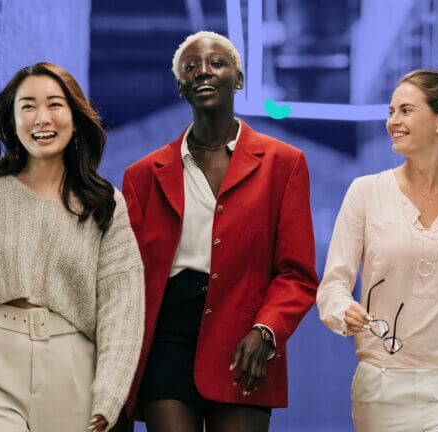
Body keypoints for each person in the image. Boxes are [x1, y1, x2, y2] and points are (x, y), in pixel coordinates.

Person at [114, 31, 318, 432]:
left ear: (238, 79)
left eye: (217, 64)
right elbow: (126, 278)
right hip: (165, 340)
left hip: (245, 338)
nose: (203, 71)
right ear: (181, 86)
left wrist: (267, 330)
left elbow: (297, 273)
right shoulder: (142, 176)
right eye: (191, 67)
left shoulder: (284, 164)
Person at [0, 62, 144, 432]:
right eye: (28, 106)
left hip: (74, 374)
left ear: (75, 118)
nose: (41, 118)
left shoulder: (104, 204)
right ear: (13, 121)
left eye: (55, 105)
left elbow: (122, 311)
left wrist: (109, 395)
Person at [316, 69, 438, 431]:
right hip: (382, 388)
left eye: (406, 110)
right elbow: (332, 285)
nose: (393, 121)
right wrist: (341, 310)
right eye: (391, 112)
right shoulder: (365, 193)